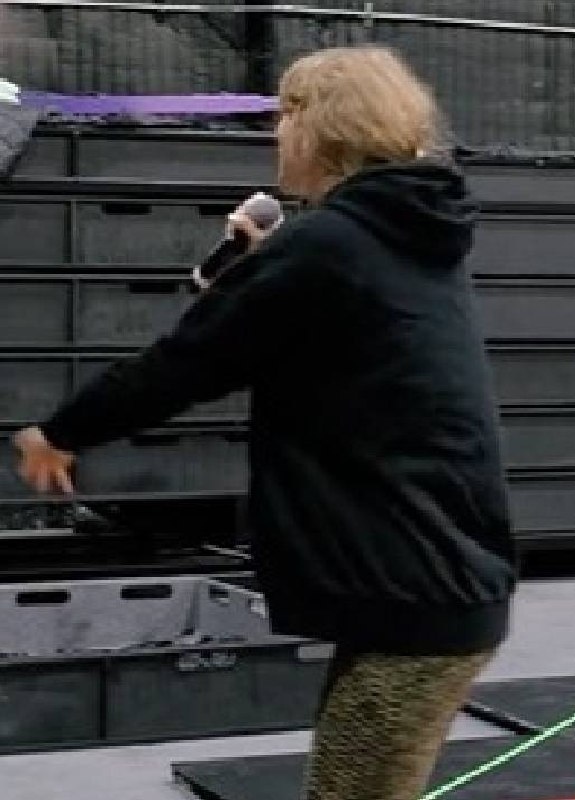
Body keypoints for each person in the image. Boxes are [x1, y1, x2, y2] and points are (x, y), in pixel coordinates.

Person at [14, 46, 518, 800]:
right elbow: (282, 327)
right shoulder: (401, 236)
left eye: (284, 115)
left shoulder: (329, 247)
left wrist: (60, 432)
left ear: (321, 127)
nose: (275, 133)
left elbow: (187, 363)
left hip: (416, 595)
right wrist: (256, 267)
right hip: (433, 583)